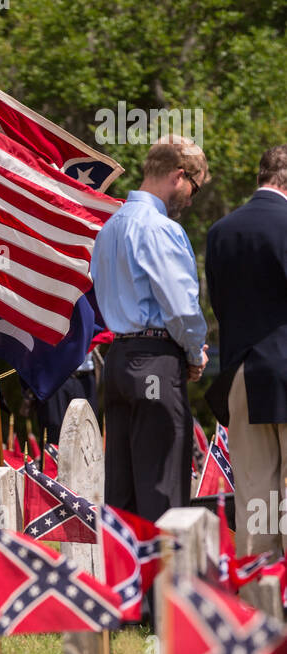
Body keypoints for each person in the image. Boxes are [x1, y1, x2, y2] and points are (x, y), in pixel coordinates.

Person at [90, 135, 209, 523]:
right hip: (155, 361)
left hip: (119, 361)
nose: (191, 198)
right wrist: (195, 353)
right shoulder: (160, 228)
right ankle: (164, 584)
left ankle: (127, 580)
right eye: (195, 186)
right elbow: (180, 307)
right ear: (178, 176)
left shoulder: (109, 227)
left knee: (122, 491)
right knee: (163, 488)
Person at [205, 145, 287, 558]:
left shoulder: (221, 231)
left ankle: (260, 599)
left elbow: (219, 303)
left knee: (256, 492)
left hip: (241, 372)